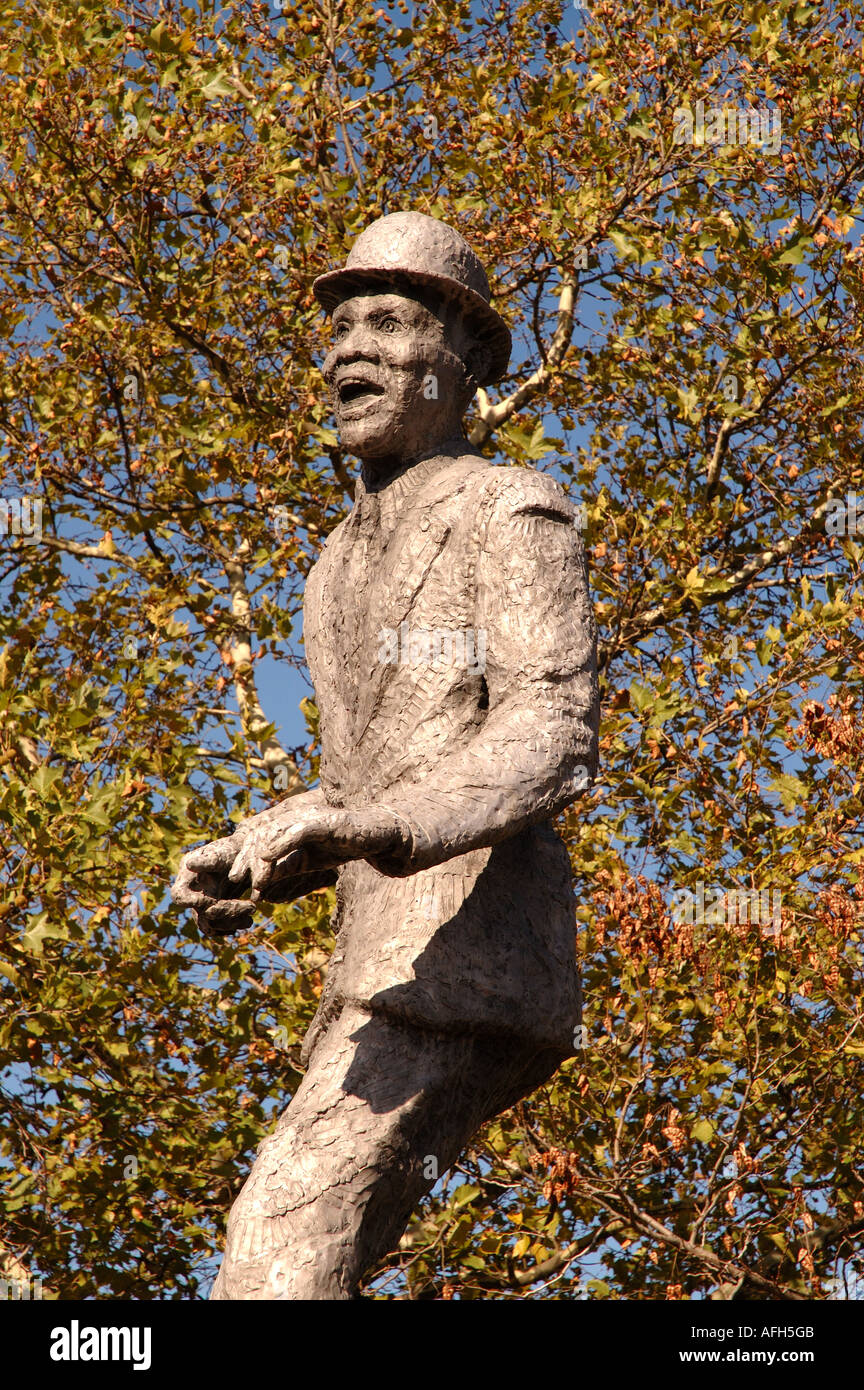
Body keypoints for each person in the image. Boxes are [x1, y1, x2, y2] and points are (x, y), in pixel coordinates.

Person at [171, 211, 599, 1299]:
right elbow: (369, 780)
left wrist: (362, 827)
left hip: (468, 955)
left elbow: (552, 728)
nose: (351, 347)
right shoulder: (331, 568)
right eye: (342, 324)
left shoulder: (513, 505)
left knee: (280, 1232)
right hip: (380, 967)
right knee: (293, 1239)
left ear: (462, 363)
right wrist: (273, 842)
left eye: (393, 321)